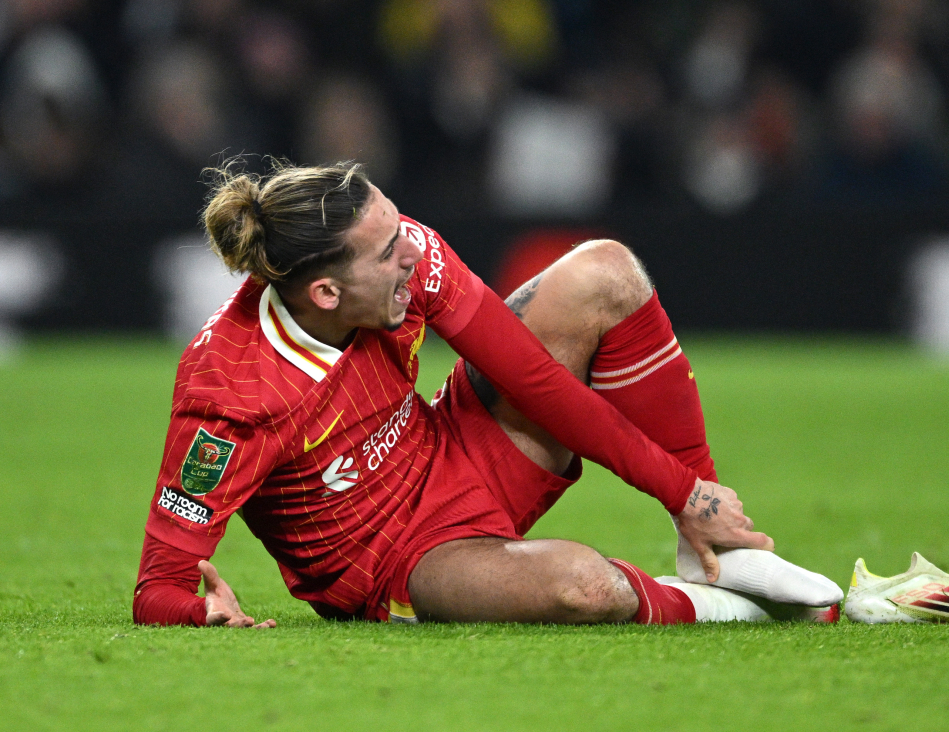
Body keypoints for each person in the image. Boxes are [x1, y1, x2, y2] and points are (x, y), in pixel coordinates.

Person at [133, 161, 841, 628]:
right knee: (583, 586)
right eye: (387, 252)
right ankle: (730, 609)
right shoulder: (231, 399)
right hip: (407, 564)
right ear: (325, 293)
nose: (412, 250)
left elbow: (535, 379)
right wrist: (201, 613)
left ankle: (717, 552)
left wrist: (687, 494)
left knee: (605, 271)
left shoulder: (406, 256)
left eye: (398, 225)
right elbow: (157, 588)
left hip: (454, 449)